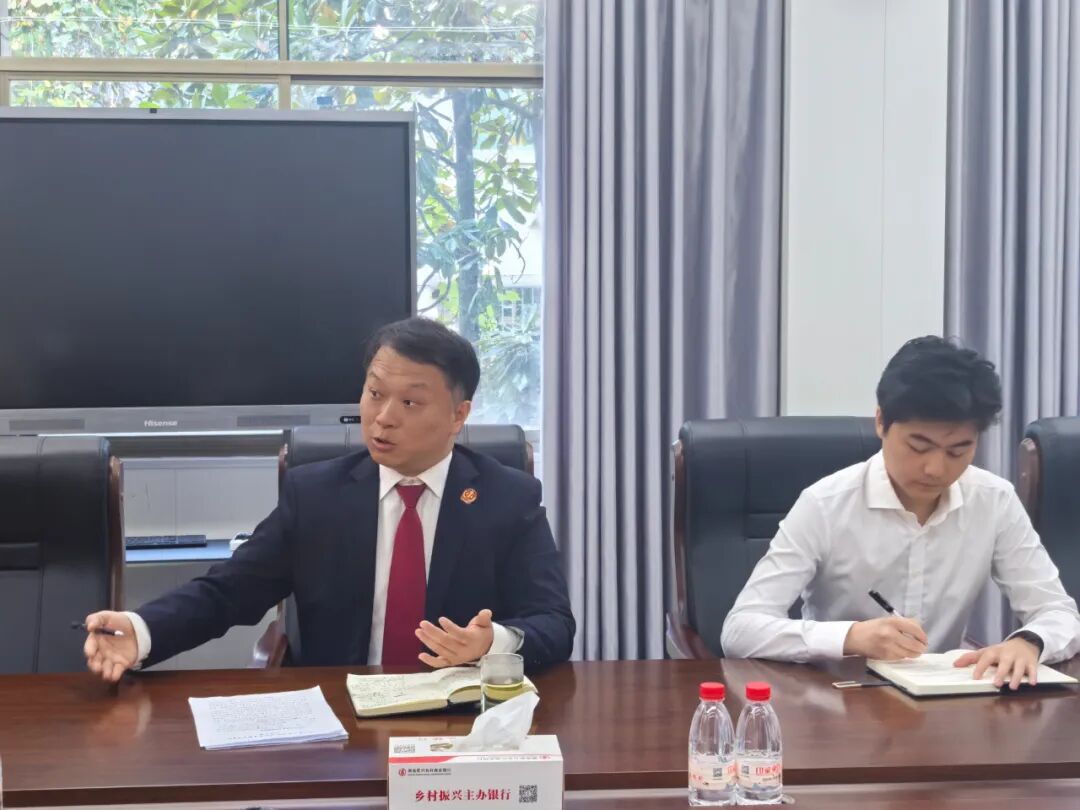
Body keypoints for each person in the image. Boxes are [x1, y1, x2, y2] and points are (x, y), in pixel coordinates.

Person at [84, 317, 575, 682]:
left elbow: (553, 622)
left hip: (460, 718)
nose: (383, 417)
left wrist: (492, 643)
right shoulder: (316, 495)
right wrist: (140, 630)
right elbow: (227, 592)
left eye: (409, 402)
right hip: (340, 717)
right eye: (374, 394)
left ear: (458, 415)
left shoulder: (506, 498)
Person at [721, 336, 1080, 689]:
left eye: (957, 451)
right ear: (880, 421)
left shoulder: (994, 500)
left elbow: (1059, 612)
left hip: (948, 700)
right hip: (840, 696)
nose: (935, 469)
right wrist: (851, 637)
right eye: (918, 446)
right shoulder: (825, 504)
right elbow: (740, 630)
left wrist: (1029, 641)